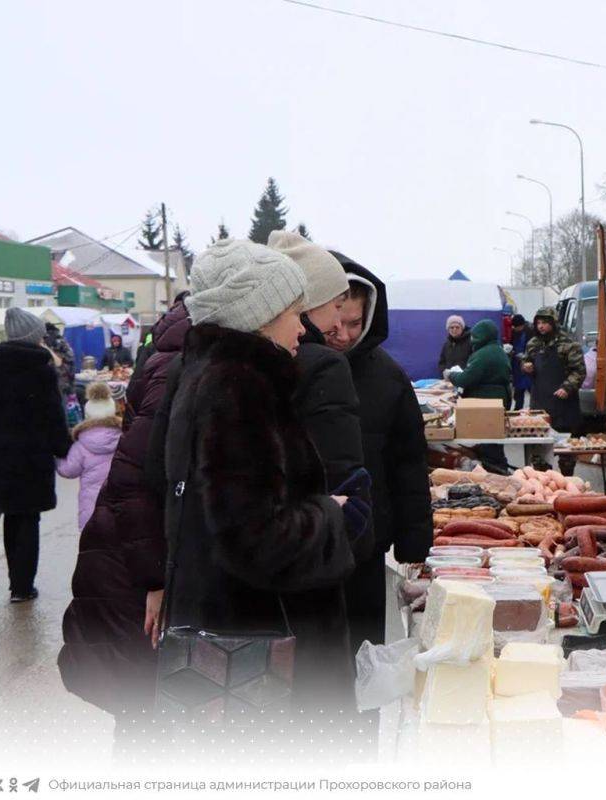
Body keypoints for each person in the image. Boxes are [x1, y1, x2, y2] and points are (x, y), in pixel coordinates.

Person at [149, 239, 368, 737]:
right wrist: (332, 515)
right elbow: (253, 538)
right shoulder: (238, 388)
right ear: (260, 315)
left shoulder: (205, 375)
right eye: (293, 312)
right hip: (264, 649)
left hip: (233, 633)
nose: (302, 326)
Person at [58, 297, 190, 724]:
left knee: (137, 704)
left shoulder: (159, 358)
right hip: (133, 551)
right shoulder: (177, 367)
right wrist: (154, 577)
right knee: (143, 706)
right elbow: (139, 483)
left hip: (108, 533)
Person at [325, 251, 433, 650]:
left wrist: (414, 541)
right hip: (304, 546)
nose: (346, 334)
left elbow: (407, 462)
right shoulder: (290, 368)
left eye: (356, 323)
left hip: (366, 546)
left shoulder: (387, 376)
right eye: (337, 323)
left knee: (363, 653)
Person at [268, 231, 372, 560]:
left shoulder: (200, 362)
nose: (339, 322)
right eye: (337, 306)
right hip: (307, 558)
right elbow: (342, 479)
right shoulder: (325, 365)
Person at [0, 308, 71, 602]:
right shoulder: (42, 370)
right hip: (32, 458)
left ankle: (16, 584)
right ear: (33, 336)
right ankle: (23, 586)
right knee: (28, 520)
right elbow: (54, 415)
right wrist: (63, 447)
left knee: (11, 517)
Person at [56, 382, 122, 531]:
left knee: (92, 548)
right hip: (118, 506)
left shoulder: (81, 444)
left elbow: (68, 470)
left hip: (91, 510)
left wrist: (58, 458)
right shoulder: (123, 439)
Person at [522, 307, 586, 433]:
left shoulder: (568, 344)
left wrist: (567, 388)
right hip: (539, 401)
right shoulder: (533, 343)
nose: (541, 326)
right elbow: (526, 360)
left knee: (563, 442)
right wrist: (526, 366)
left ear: (553, 323)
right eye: (538, 323)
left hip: (563, 403)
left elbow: (579, 370)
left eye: (544, 323)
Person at [449, 319, 513, 407]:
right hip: (499, 400)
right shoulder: (499, 350)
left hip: (485, 403)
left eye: (473, 336)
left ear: (481, 336)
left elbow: (464, 380)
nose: (471, 339)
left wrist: (450, 374)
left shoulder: (482, 355)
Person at [44, 322, 76, 398]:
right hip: (61, 385)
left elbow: (61, 363)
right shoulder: (60, 341)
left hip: (60, 386)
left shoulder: (59, 343)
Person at [509, 314, 532, 410]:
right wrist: (511, 351)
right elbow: (511, 345)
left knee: (532, 389)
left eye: (516, 327)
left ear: (521, 325)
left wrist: (525, 356)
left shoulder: (530, 332)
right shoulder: (514, 333)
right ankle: (518, 411)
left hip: (528, 366)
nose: (514, 328)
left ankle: (535, 409)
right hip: (517, 367)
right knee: (518, 392)